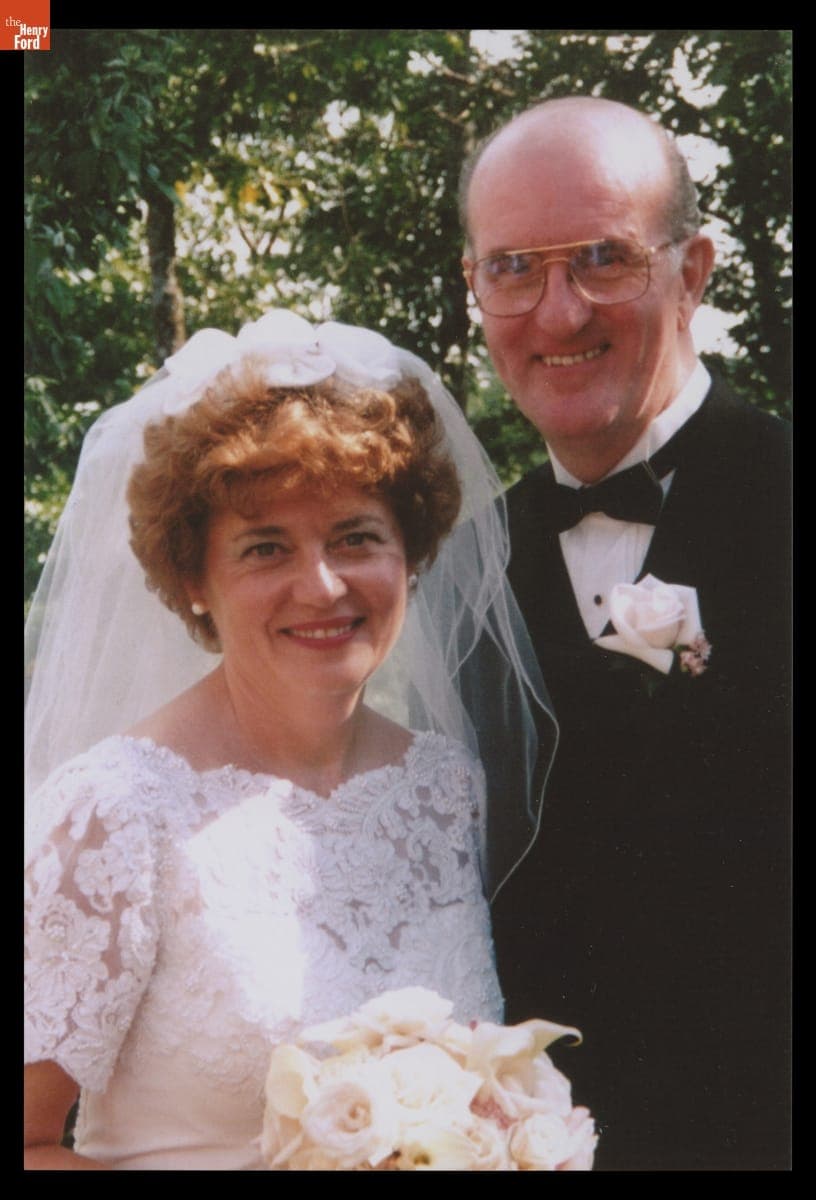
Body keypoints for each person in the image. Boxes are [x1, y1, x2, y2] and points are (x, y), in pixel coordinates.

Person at [24, 311, 557, 1170]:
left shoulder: (443, 787)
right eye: (266, 547)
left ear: (410, 555)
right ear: (193, 579)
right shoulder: (116, 810)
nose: (322, 584)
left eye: (357, 537)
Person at [459, 96, 791, 1171]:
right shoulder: (455, 575)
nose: (557, 315)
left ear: (691, 271)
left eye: (603, 259)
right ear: (476, 287)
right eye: (514, 268)